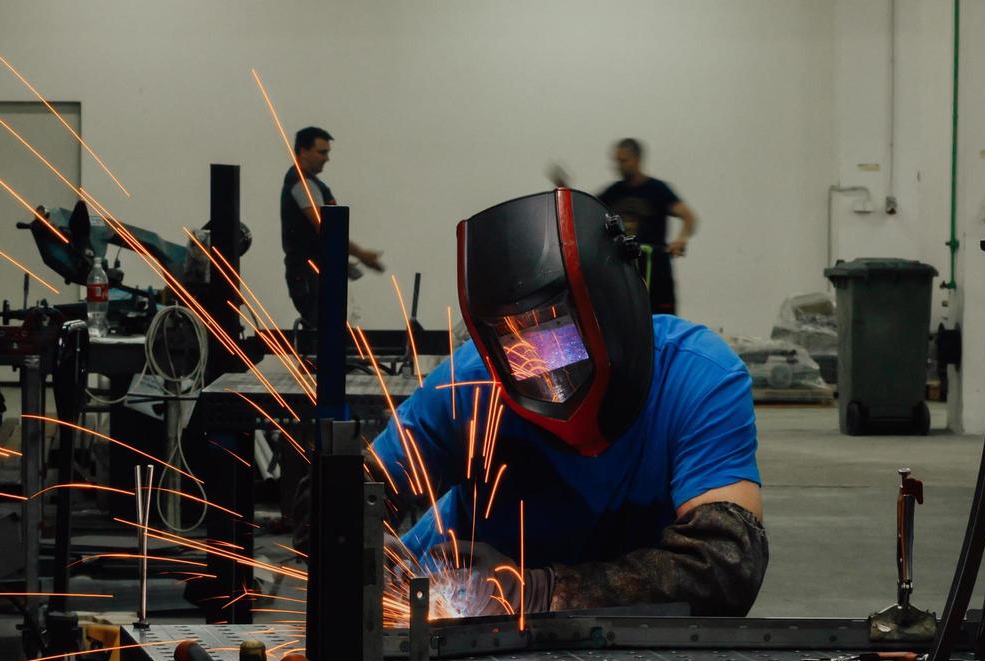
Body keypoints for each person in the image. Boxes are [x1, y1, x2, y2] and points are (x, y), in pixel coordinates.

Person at [371, 188, 765, 617]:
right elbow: (356, 489)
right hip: (456, 608)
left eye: (555, 335)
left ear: (612, 306)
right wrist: (352, 536)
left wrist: (544, 592)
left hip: (615, 639)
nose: (539, 363)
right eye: (513, 342)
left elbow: (725, 566)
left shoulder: (698, 377)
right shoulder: (470, 384)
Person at [552, 137, 697, 314]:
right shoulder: (613, 193)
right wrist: (566, 189)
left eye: (623, 161)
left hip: (655, 271)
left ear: (636, 159)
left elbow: (689, 217)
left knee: (661, 326)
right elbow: (586, 210)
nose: (618, 166)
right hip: (625, 273)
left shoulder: (658, 190)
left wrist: (681, 239)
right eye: (616, 161)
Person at [280, 126, 385, 324]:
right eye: (322, 152)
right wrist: (361, 254)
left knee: (332, 331)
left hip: (316, 273)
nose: (326, 158)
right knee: (326, 335)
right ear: (303, 151)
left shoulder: (309, 183)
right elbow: (326, 228)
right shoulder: (301, 183)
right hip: (309, 274)